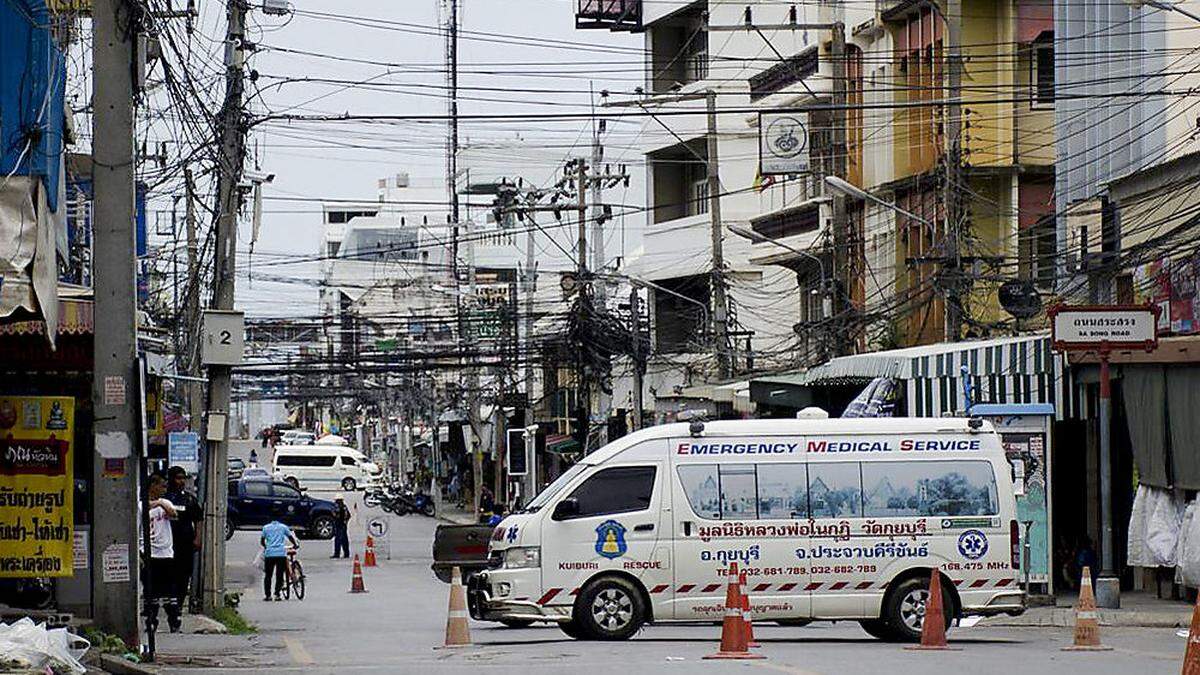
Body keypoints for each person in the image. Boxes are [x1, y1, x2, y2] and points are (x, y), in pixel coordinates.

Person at [164, 466, 202, 618]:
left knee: (184, 575)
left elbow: (199, 519)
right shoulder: (164, 498)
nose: (181, 481)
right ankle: (168, 603)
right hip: (166, 544)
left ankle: (178, 605)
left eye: (183, 478)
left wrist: (198, 538)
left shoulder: (189, 499)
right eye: (178, 478)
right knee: (168, 575)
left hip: (185, 544)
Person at [144, 475, 180, 631]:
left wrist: (160, 503)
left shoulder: (165, 503)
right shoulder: (140, 504)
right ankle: (151, 620)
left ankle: (174, 620)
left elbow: (173, 514)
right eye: (162, 486)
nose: (164, 490)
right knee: (151, 589)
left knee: (169, 589)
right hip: (148, 551)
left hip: (166, 552)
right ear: (153, 485)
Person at [260, 518, 299, 601]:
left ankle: (268, 595)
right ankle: (277, 594)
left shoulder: (266, 528)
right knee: (279, 574)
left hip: (269, 554)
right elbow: (290, 537)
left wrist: (267, 547)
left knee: (268, 575)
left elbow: (262, 541)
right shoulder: (283, 527)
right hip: (281, 554)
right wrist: (295, 545)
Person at [331, 494, 351, 559]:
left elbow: (335, 515)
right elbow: (348, 515)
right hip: (344, 525)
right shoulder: (344, 506)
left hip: (339, 525)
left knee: (338, 540)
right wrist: (345, 522)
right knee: (345, 540)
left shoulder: (337, 507)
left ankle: (337, 554)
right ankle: (346, 553)